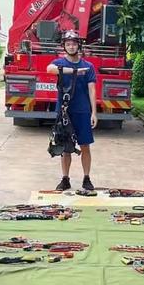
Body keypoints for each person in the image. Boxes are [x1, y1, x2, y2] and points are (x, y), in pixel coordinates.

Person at [47, 30, 97, 191]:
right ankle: (65, 178)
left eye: (74, 43)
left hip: (83, 111)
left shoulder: (88, 66)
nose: (71, 46)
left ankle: (87, 178)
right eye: (68, 44)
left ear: (79, 45)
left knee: (85, 146)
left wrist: (94, 112)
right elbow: (50, 69)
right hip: (64, 112)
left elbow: (92, 90)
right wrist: (74, 71)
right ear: (64, 46)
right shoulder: (59, 63)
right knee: (65, 147)